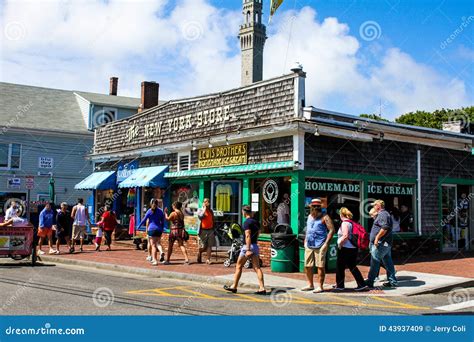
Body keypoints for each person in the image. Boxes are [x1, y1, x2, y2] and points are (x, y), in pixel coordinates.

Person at [224, 206, 265, 295]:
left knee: (238, 266)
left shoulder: (246, 222)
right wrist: (254, 246)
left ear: (244, 212)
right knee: (257, 268)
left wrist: (248, 249)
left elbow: (247, 236)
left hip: (247, 247)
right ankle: (262, 288)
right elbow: (258, 234)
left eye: (242, 212)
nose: (242, 213)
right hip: (255, 246)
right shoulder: (256, 222)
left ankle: (234, 286)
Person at [301, 198, 335, 293]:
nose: (316, 207)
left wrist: (326, 244)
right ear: (311, 207)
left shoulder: (325, 217)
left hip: (320, 244)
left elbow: (332, 230)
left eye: (318, 206)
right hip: (309, 244)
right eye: (314, 206)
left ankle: (320, 286)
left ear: (320, 207)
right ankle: (310, 284)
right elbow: (308, 230)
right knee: (307, 265)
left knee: (320, 266)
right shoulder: (309, 217)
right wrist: (305, 241)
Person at [366, 200, 398, 288]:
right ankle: (392, 281)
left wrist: (376, 238)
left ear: (379, 205)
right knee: (388, 262)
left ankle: (370, 281)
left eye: (374, 205)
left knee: (375, 261)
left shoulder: (383, 214)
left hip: (381, 243)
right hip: (385, 243)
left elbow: (385, 227)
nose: (373, 207)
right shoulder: (383, 214)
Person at [334, 207, 368, 291]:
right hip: (353, 248)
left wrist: (340, 244)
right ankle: (361, 284)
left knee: (340, 267)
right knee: (352, 266)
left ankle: (340, 285)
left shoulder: (344, 223)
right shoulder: (352, 223)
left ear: (341, 214)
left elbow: (345, 235)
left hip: (345, 248)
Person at [138, 199, 165, 266]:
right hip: (159, 229)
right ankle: (161, 252)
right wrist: (162, 229)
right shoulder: (161, 211)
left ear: (151, 204)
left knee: (153, 245)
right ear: (157, 204)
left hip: (151, 230)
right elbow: (163, 222)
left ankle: (155, 260)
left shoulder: (149, 211)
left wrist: (138, 226)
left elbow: (144, 220)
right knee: (158, 243)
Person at [197, 198, 215, 264]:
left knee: (209, 246)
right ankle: (199, 252)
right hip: (202, 231)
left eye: (207, 201)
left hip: (210, 230)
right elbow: (200, 216)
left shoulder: (210, 211)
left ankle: (208, 259)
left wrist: (213, 228)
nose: (206, 203)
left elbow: (213, 220)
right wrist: (204, 209)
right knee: (202, 247)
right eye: (205, 202)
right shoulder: (200, 210)